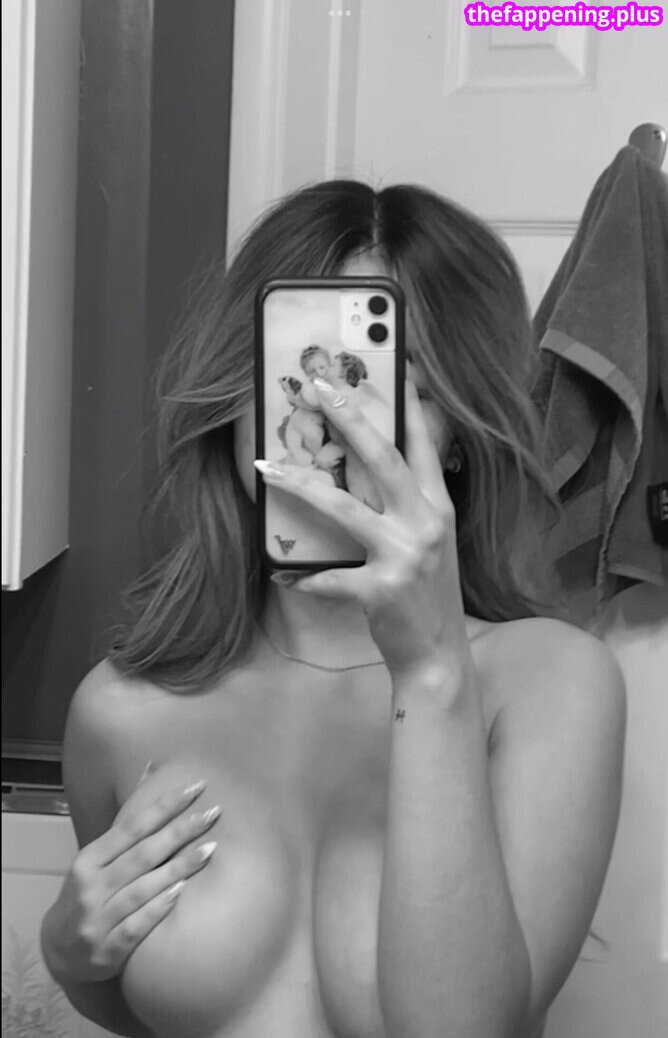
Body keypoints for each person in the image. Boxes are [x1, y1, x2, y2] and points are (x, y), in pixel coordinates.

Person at [40, 181, 626, 1038]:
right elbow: (134, 1004)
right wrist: (68, 956)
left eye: (392, 384)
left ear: (458, 435)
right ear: (235, 403)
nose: (332, 416)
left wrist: (429, 670)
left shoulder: (550, 684)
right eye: (296, 375)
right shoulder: (120, 711)